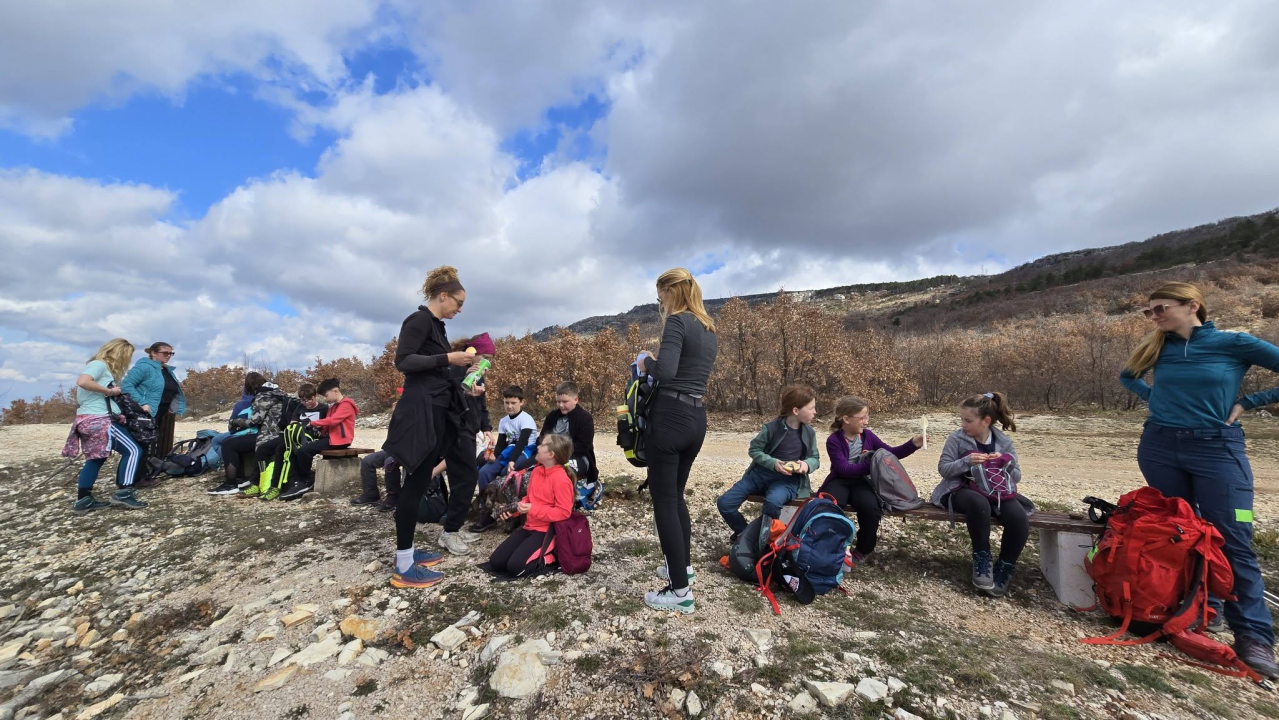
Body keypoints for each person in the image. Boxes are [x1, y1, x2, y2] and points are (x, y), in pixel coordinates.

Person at [1120, 281, 1279, 678]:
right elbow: (1127, 376)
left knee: (1234, 538)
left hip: (1216, 447)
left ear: (1192, 306)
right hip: (1159, 445)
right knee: (1178, 532)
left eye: (1160, 309)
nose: (1153, 317)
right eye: (1149, 311)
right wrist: (1153, 399)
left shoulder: (1233, 343)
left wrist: (1249, 402)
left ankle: (1254, 637)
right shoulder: (1158, 347)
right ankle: (1196, 610)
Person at [384, 265, 479, 589]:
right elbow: (404, 361)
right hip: (419, 415)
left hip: (435, 413)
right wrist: (447, 359)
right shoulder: (419, 320)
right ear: (443, 296)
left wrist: (463, 371)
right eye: (458, 301)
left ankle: (408, 554)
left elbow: (435, 373)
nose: (460, 309)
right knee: (413, 486)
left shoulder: (436, 327)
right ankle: (404, 566)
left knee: (420, 479)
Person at [638, 268, 718, 614]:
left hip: (670, 416)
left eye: (660, 298)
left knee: (665, 500)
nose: (661, 304)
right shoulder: (708, 327)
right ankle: (682, 567)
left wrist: (646, 361)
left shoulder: (678, 322)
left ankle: (680, 591)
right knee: (676, 497)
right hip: (696, 417)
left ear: (671, 292)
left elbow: (666, 371)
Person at [929, 392, 1032, 599]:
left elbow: (1017, 476)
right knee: (979, 503)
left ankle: (1004, 567)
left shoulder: (1003, 442)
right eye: (962, 419)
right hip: (959, 491)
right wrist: (967, 462)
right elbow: (944, 469)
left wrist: (1003, 462)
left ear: (986, 421)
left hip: (998, 492)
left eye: (968, 420)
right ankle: (982, 560)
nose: (963, 424)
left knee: (1019, 518)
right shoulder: (956, 438)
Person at [818, 395, 923, 567]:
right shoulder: (834, 440)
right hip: (839, 480)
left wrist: (913, 444)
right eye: (862, 417)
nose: (866, 421)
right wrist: (874, 464)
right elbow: (843, 469)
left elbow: (890, 454)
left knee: (871, 508)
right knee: (830, 504)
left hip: (862, 482)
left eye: (867, 416)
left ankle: (863, 549)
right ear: (846, 419)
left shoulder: (868, 436)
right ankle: (829, 545)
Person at [716, 385, 821, 551]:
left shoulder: (809, 433)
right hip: (759, 475)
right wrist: (773, 463)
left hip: (787, 481)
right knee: (725, 503)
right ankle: (745, 533)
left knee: (772, 503)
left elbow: (815, 459)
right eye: (811, 408)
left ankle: (765, 541)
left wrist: (806, 465)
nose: (815, 412)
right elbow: (754, 450)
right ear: (795, 410)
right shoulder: (771, 428)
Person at [63, 338, 147, 512]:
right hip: (99, 419)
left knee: (96, 458)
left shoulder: (101, 368)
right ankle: (124, 492)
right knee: (133, 450)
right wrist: (110, 391)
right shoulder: (99, 365)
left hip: (86, 419)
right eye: (127, 356)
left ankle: (83, 500)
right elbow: (83, 381)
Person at [484, 434, 577, 579]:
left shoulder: (561, 480)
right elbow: (529, 499)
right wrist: (513, 510)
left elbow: (564, 512)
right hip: (529, 526)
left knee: (516, 568)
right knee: (496, 562)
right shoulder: (536, 471)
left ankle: (551, 558)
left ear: (551, 454)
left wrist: (533, 509)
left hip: (546, 531)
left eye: (542, 445)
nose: (537, 447)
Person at [469, 385, 537, 533]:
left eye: (513, 402)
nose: (509, 406)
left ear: (521, 402)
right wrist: (494, 455)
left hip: (525, 450)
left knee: (509, 473)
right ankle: (485, 510)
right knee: (485, 472)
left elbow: (522, 442)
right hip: (509, 450)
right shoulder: (504, 421)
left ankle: (509, 513)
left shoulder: (526, 419)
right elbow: (501, 443)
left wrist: (512, 461)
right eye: (507, 402)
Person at [513, 381, 597, 499]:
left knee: (561, 473)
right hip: (548, 454)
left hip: (577, 457)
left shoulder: (585, 418)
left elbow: (583, 446)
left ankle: (562, 502)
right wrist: (543, 450)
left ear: (575, 400)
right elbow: (541, 438)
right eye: (558, 402)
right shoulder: (552, 416)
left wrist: (557, 454)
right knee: (521, 467)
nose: (561, 405)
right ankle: (527, 500)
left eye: (565, 402)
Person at [281, 378, 358, 500]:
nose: (325, 399)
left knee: (304, 450)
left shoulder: (346, 405)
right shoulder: (333, 407)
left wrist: (313, 423)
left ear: (335, 391)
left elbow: (333, 420)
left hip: (340, 440)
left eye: (326, 395)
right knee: (298, 450)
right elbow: (327, 426)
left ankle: (305, 481)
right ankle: (296, 481)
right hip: (331, 438)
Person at [121, 341, 186, 474]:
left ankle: (143, 474)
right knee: (141, 444)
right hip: (142, 413)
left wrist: (172, 407)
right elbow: (126, 385)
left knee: (148, 444)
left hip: (159, 413)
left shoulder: (166, 369)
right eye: (165, 353)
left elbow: (170, 390)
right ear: (153, 353)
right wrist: (142, 402)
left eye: (171, 353)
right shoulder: (144, 367)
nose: (168, 355)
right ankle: (135, 478)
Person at [207, 372, 267, 495]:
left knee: (221, 442)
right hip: (268, 432)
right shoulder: (271, 397)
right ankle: (237, 475)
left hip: (256, 433)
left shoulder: (245, 403)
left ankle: (233, 479)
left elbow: (235, 427)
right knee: (229, 442)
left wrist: (237, 422)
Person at [230, 379, 289, 499]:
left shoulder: (262, 397)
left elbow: (255, 420)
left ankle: (256, 483)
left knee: (260, 449)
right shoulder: (283, 396)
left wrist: (235, 421)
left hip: (269, 433)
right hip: (283, 432)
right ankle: (261, 483)